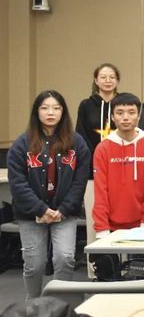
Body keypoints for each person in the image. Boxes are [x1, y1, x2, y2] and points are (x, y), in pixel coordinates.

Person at [7, 91, 90, 299]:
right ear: (37, 112)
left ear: (63, 112)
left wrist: (62, 210)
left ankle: (56, 305)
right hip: (31, 214)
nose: (50, 112)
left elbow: (79, 182)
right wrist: (41, 209)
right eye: (44, 108)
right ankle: (33, 305)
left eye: (56, 108)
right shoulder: (22, 143)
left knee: (65, 258)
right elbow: (17, 183)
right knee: (34, 265)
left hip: (65, 212)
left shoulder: (77, 142)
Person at [92, 93, 144, 239]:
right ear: (112, 117)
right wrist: (102, 229)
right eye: (120, 113)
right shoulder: (103, 148)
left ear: (139, 116)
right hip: (111, 227)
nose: (126, 117)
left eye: (131, 112)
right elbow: (100, 191)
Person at [75, 63, 120, 253]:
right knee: (95, 221)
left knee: (120, 219)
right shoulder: (86, 105)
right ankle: (95, 266)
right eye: (103, 77)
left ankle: (124, 265)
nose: (108, 81)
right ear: (96, 80)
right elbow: (81, 136)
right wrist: (97, 159)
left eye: (112, 77)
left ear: (117, 80)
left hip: (120, 169)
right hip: (93, 172)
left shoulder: (123, 104)